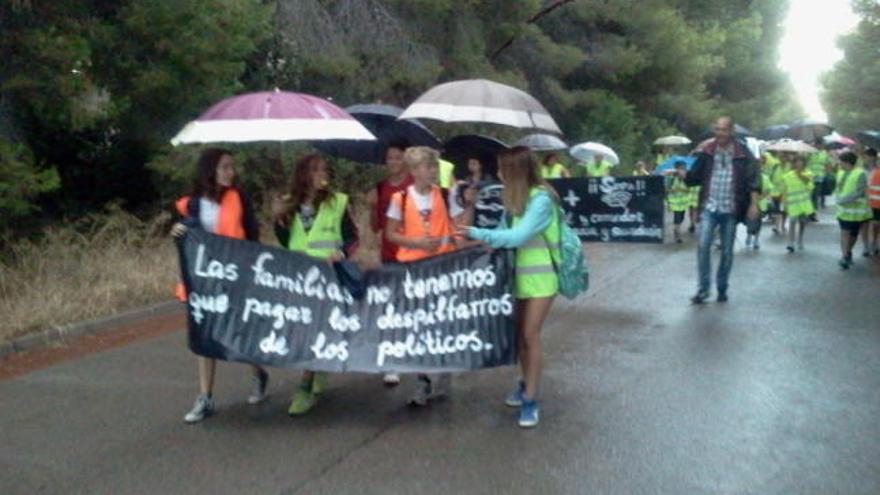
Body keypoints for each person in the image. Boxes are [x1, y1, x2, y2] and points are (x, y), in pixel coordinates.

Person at [461, 146, 560, 428]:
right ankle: (526, 382)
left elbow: (517, 236)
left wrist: (478, 233)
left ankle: (531, 399)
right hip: (518, 277)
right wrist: (477, 237)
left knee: (530, 335)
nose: (499, 173)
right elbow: (502, 233)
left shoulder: (541, 199)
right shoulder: (514, 200)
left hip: (542, 278)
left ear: (516, 171)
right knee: (519, 336)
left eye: (504, 169)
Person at [170, 148, 268, 424]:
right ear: (210, 170)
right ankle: (206, 397)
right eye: (225, 167)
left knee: (240, 331)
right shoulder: (193, 204)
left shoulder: (240, 197)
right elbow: (187, 234)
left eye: (232, 167)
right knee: (204, 336)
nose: (230, 172)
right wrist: (178, 232)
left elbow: (251, 236)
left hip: (235, 276)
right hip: (204, 280)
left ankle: (258, 372)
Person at [385, 146, 475, 406]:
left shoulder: (446, 195)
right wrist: (415, 243)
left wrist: (468, 203)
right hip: (413, 270)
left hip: (442, 268)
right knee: (418, 324)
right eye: (428, 166)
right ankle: (422, 379)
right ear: (414, 170)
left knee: (441, 322)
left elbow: (461, 229)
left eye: (435, 166)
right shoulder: (400, 199)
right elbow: (390, 234)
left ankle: (443, 370)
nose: (433, 171)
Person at [272, 154, 359, 415]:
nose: (322, 173)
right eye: (315, 169)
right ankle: (317, 369)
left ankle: (305, 386)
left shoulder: (338, 201)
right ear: (304, 174)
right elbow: (286, 241)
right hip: (301, 277)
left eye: (324, 169)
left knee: (318, 327)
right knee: (307, 329)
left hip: (329, 276)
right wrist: (278, 220)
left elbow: (352, 238)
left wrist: (341, 254)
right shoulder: (289, 204)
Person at [685, 116, 760, 304]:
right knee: (703, 246)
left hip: (731, 209)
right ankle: (703, 289)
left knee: (726, 251)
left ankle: (722, 288)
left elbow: (754, 180)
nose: (719, 133)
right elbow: (693, 178)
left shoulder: (743, 153)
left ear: (731, 131)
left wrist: (753, 204)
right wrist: (683, 173)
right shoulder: (707, 151)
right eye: (717, 129)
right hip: (710, 207)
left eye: (723, 130)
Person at [367, 140, 413, 386]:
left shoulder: (415, 186)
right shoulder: (381, 187)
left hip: (413, 255)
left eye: (398, 157)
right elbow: (375, 227)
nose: (393, 162)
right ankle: (392, 361)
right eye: (390, 158)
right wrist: (373, 206)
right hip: (388, 254)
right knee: (390, 308)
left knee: (412, 306)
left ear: (406, 159)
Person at [835, 151, 872, 269]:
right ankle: (845, 256)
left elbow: (861, 191)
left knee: (853, 235)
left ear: (847, 162)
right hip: (843, 211)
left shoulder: (860, 173)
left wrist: (846, 199)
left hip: (856, 212)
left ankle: (848, 252)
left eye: (840, 161)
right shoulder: (840, 172)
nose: (838, 163)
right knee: (844, 233)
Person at [780, 155, 815, 252]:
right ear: (794, 163)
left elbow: (810, 186)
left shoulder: (808, 173)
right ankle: (790, 242)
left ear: (804, 163)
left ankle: (800, 239)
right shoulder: (787, 175)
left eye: (801, 161)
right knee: (792, 221)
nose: (799, 164)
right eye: (797, 162)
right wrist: (784, 202)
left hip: (804, 204)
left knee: (802, 222)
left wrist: (800, 174)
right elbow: (784, 190)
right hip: (793, 204)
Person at [745, 166, 775, 251]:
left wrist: (761, 197)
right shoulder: (749, 178)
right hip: (750, 203)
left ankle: (756, 240)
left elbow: (769, 189)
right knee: (750, 221)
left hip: (761, 204)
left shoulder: (765, 178)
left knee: (758, 223)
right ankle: (749, 236)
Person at [666, 161, 690, 243]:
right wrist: (673, 190)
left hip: (683, 203)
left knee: (682, 218)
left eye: (684, 169)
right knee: (677, 218)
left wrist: (683, 189)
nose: (682, 170)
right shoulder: (672, 179)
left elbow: (689, 190)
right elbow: (667, 190)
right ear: (676, 169)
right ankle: (677, 234)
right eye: (681, 168)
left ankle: (677, 229)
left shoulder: (687, 179)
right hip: (675, 203)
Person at [807, 140, 830, 218]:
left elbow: (827, 164)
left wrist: (827, 174)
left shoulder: (824, 153)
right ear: (815, 144)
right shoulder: (810, 152)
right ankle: (808, 212)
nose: (820, 146)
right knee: (809, 195)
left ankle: (813, 213)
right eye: (818, 144)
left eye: (821, 144)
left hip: (820, 178)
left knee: (815, 196)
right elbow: (804, 161)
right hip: (809, 177)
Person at [865, 148, 880, 256]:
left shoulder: (876, 169)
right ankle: (871, 244)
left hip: (875, 201)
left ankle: (874, 243)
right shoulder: (867, 169)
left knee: (876, 224)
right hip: (871, 201)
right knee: (871, 224)